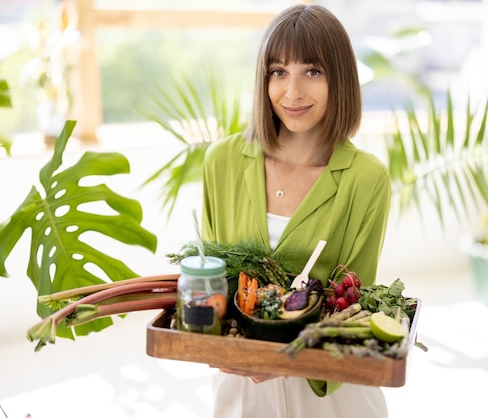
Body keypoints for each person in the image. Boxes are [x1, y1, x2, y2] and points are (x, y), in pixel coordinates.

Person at [200, 4, 391, 418]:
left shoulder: (366, 179)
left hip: (329, 395)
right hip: (241, 390)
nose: (292, 92)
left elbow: (354, 304)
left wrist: (286, 359)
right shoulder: (222, 162)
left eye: (313, 71)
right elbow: (212, 277)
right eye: (278, 71)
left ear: (339, 78)